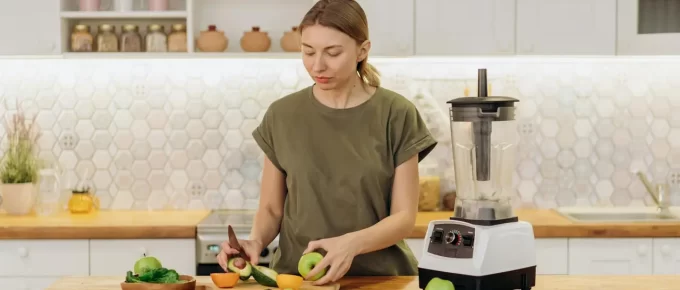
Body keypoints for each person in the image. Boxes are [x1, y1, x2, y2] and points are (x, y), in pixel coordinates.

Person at [217, 0, 438, 285]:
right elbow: (272, 209)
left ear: (363, 50)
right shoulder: (282, 115)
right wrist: (255, 242)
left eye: (332, 53)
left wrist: (350, 244)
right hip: (297, 279)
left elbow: (404, 217)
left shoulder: (396, 113)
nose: (317, 65)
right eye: (308, 51)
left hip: (379, 280)